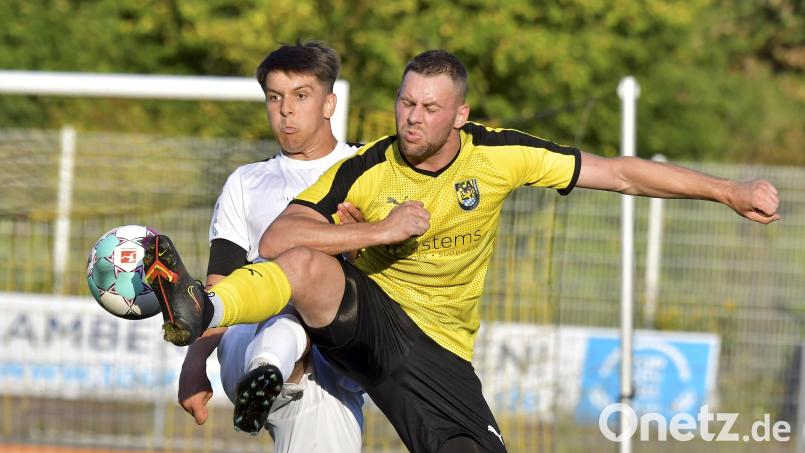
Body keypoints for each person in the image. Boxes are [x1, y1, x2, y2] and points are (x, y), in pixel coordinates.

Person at [144, 50, 781, 453]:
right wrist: (377, 232)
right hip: (366, 323)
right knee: (305, 264)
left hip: (439, 354)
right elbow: (280, 239)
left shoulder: (501, 154)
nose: (412, 118)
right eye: (404, 102)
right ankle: (205, 308)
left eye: (428, 107)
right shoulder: (367, 167)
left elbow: (619, 172)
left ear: (460, 114)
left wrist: (727, 190)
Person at [169, 41, 364, 452]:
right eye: (274, 98)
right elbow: (220, 282)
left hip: (335, 363)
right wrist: (194, 363)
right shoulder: (246, 183)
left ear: (329, 104)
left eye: (300, 96)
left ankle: (272, 375)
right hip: (249, 344)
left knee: (307, 287)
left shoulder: (367, 170)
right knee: (284, 298)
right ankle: (267, 371)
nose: (285, 110)